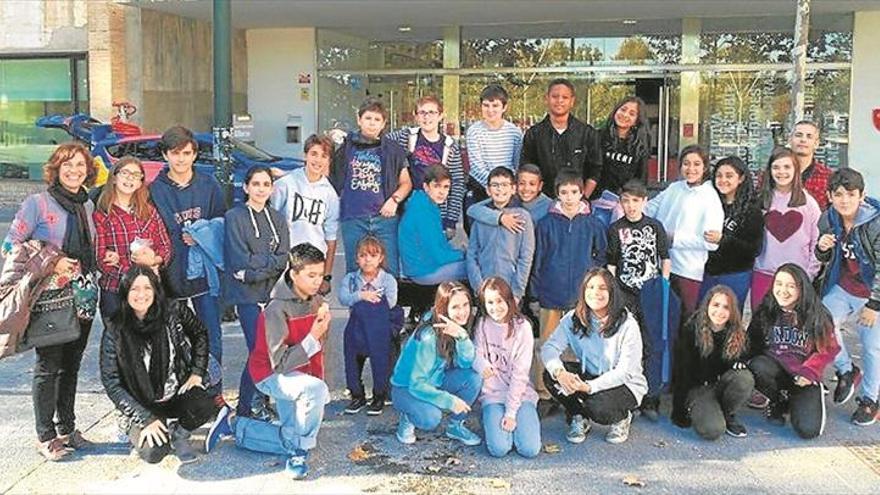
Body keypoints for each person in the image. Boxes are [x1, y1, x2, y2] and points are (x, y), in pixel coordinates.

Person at [2, 143, 99, 461]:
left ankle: (66, 428)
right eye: (68, 165)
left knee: (71, 364)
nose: (74, 171)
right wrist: (51, 260)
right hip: (49, 296)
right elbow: (11, 244)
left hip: (83, 293)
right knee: (48, 366)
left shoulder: (87, 204)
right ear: (56, 169)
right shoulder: (38, 203)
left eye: (80, 166)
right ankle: (45, 436)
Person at [209, 243, 332, 479]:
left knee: (290, 432)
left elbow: (317, 350)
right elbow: (280, 363)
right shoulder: (276, 308)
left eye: (321, 274)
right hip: (270, 374)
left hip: (296, 372)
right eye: (311, 275)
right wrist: (314, 338)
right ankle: (299, 451)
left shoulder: (315, 300)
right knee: (305, 426)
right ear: (293, 274)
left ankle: (236, 427)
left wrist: (318, 379)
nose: (318, 282)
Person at [100, 266, 228, 465]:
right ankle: (133, 424)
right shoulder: (115, 328)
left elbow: (200, 333)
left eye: (147, 288)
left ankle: (180, 433)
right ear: (125, 292)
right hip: (142, 401)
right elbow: (111, 382)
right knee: (153, 452)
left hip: (174, 392)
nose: (141, 294)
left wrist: (196, 372)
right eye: (134, 289)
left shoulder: (173, 310)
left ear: (155, 290)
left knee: (204, 403)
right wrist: (145, 418)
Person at [541, 268, 647, 445]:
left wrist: (589, 387)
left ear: (612, 292)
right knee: (550, 375)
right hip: (590, 376)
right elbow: (549, 348)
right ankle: (578, 416)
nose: (595, 293)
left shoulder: (628, 324)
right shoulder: (574, 318)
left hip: (625, 384)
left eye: (602, 288)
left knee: (597, 407)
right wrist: (560, 372)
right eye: (590, 287)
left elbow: (624, 372)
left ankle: (622, 417)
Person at [531, 169, 607, 414]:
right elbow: (538, 258)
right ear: (557, 193)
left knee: (580, 345)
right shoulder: (546, 224)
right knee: (548, 344)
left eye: (574, 192)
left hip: (581, 297)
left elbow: (601, 256)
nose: (569, 197)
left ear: (581, 192)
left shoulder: (592, 223)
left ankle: (575, 392)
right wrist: (536, 290)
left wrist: (593, 287)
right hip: (551, 292)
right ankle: (544, 393)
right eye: (564, 192)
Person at [149, 126, 226, 364]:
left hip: (204, 274)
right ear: (165, 155)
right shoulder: (154, 190)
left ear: (194, 155)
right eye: (175, 153)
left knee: (210, 334)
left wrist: (202, 234)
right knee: (174, 338)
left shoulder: (208, 184)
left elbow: (222, 223)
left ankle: (213, 393)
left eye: (186, 153)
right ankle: (181, 396)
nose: (180, 159)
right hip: (170, 274)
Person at [225, 165, 291, 420]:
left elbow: (283, 258)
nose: (261, 189)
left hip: (273, 295)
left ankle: (259, 403)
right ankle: (247, 408)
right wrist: (262, 267)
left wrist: (256, 269)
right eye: (256, 184)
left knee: (271, 352)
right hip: (248, 297)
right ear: (246, 187)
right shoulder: (235, 217)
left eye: (266, 184)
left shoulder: (277, 218)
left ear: (272, 189)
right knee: (259, 351)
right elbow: (239, 260)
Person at [816, 168, 880, 425]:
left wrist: (874, 304)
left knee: (872, 346)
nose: (844, 200)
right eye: (839, 194)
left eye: (851, 194)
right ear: (830, 196)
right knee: (822, 321)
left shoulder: (875, 223)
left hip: (871, 292)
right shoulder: (828, 218)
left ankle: (869, 399)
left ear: (862, 195)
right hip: (844, 287)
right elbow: (822, 258)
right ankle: (846, 370)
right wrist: (822, 248)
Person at [747, 264, 839, 439]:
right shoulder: (766, 310)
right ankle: (777, 401)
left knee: (808, 431)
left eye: (791, 285)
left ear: (802, 288)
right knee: (757, 365)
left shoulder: (817, 313)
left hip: (804, 377)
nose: (783, 290)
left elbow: (829, 347)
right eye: (779, 284)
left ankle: (801, 398)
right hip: (774, 371)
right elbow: (751, 343)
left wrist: (810, 371)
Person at [606, 178, 671, 420]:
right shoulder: (615, 229)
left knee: (652, 342)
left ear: (644, 201)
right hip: (625, 292)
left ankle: (651, 398)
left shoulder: (655, 226)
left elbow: (665, 256)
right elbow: (612, 261)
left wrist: (663, 284)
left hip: (651, 290)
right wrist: (613, 292)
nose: (631, 205)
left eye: (636, 200)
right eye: (626, 200)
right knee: (628, 344)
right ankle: (629, 394)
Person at [391, 281, 483, 446]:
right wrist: (450, 401)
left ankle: (455, 426)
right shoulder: (429, 336)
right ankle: (407, 416)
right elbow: (416, 384)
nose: (462, 312)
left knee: (474, 378)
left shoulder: (456, 327)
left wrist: (462, 338)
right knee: (431, 418)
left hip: (436, 379)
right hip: (406, 388)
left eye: (465, 305)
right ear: (443, 307)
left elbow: (465, 364)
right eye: (455, 307)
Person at [330, 97, 412, 277]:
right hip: (353, 218)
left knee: (389, 270)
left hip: (384, 219)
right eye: (368, 118)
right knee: (354, 270)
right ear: (359, 120)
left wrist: (394, 200)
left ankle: (388, 305)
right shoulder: (346, 148)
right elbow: (327, 172)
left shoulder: (394, 150)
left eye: (377, 120)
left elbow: (406, 183)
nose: (372, 123)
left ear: (383, 124)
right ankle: (358, 305)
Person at [645, 145, 724, 315]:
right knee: (661, 317)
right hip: (661, 264)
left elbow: (711, 242)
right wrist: (628, 205)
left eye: (697, 164)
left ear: (704, 167)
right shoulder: (674, 188)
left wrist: (675, 238)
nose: (691, 169)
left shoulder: (710, 196)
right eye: (686, 164)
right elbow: (650, 208)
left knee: (684, 319)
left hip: (687, 270)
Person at [93, 156, 172, 322]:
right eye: (125, 173)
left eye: (136, 175)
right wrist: (133, 275)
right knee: (117, 343)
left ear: (140, 182)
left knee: (149, 342)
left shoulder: (149, 211)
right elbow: (101, 261)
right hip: (115, 291)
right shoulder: (102, 214)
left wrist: (153, 261)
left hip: (148, 291)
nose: (130, 178)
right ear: (114, 177)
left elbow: (165, 248)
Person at [671, 286, 754, 440]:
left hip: (722, 384)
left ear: (732, 311)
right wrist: (678, 410)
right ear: (707, 305)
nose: (720, 311)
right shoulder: (691, 329)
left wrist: (739, 362)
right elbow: (682, 372)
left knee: (744, 377)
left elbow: (743, 357)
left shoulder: (736, 333)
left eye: (726, 307)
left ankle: (728, 413)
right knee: (712, 430)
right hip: (699, 388)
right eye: (716, 305)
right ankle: (711, 413)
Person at [473, 277, 541, 458]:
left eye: (499, 301)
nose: (495, 307)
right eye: (490, 302)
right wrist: (482, 365)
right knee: (499, 449)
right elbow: (476, 354)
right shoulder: (482, 324)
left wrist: (511, 413)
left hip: (520, 394)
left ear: (509, 300)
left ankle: (519, 421)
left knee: (529, 449)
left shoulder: (522, 327)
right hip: (493, 395)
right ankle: (490, 419)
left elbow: (520, 375)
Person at [751, 147, 821, 309]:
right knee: (761, 326)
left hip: (796, 276)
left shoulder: (808, 203)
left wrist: (809, 274)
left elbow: (817, 242)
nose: (781, 172)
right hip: (764, 273)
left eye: (787, 167)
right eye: (776, 167)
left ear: (796, 170)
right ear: (769, 171)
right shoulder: (762, 200)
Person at [271, 134, 339, 295]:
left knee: (307, 315)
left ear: (329, 160)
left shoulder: (330, 194)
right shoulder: (286, 184)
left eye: (324, 156)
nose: (318, 160)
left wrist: (326, 276)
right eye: (314, 154)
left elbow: (331, 239)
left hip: (313, 263)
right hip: (285, 261)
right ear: (305, 155)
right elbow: (270, 220)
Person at [338, 236, 399, 415]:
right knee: (352, 361)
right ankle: (357, 395)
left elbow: (392, 302)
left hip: (379, 327)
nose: (367, 259)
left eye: (373, 255)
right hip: (356, 327)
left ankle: (379, 396)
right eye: (363, 255)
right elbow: (343, 298)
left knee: (381, 362)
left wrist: (374, 299)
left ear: (381, 258)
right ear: (357, 258)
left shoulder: (388, 279)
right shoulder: (351, 279)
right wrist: (361, 296)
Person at [387, 96, 465, 234]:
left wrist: (451, 221)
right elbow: (379, 141)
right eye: (422, 112)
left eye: (432, 112)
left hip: (437, 212)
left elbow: (457, 184)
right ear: (415, 116)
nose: (426, 117)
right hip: (408, 210)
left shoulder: (450, 146)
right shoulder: (406, 137)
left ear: (440, 115)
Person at [699, 156, 764, 313]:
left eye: (729, 175)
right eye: (719, 175)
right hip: (706, 273)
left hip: (735, 275)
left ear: (741, 178)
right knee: (704, 317)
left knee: (729, 318)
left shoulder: (751, 210)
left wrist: (724, 240)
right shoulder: (709, 202)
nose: (723, 180)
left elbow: (753, 249)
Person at [520, 78, 601, 199]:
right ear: (546, 99)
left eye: (565, 97)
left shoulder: (587, 133)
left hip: (577, 203)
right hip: (543, 202)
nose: (559, 101)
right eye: (555, 96)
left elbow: (595, 170)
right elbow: (527, 170)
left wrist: (583, 198)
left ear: (572, 101)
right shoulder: (534, 134)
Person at [466, 166, 535, 302]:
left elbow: (526, 256)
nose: (500, 189)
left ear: (513, 189)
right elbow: (472, 254)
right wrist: (478, 286)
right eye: (495, 185)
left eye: (504, 185)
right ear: (488, 190)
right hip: (485, 286)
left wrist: (517, 291)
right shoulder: (481, 218)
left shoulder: (522, 217)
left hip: (510, 285)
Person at [464, 84, 523, 231]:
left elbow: (516, 164)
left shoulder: (514, 132)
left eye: (495, 105)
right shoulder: (474, 131)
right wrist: (494, 188)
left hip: (507, 191)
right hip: (481, 189)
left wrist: (504, 188)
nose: (490, 110)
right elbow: (476, 167)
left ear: (504, 107)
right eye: (486, 105)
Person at [398, 165, 467, 285]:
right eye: (437, 186)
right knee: (478, 266)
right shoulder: (422, 211)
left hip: (427, 266)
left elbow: (440, 247)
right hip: (423, 272)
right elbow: (439, 256)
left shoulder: (426, 204)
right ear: (426, 187)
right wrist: (465, 254)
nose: (442, 192)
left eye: (446, 187)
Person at [590, 96, 651, 200]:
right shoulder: (597, 136)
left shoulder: (639, 146)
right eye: (623, 110)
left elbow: (641, 180)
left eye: (632, 114)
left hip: (623, 203)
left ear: (637, 121)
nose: (625, 115)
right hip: (595, 200)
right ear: (615, 111)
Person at [466, 163, 553, 234]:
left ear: (540, 186)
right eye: (522, 183)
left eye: (532, 184)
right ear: (515, 185)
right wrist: (500, 218)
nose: (526, 188)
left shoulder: (550, 205)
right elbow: (472, 210)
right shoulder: (509, 197)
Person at [790, 120, 832, 211]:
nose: (803, 140)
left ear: (816, 143)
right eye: (798, 135)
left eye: (809, 136)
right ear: (790, 140)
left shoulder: (828, 177)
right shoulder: (776, 173)